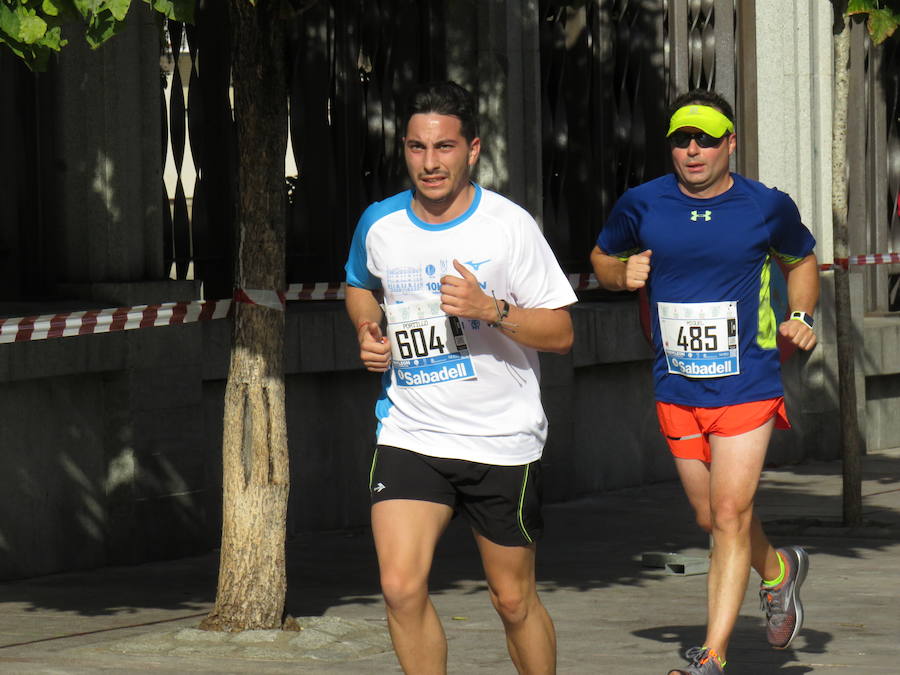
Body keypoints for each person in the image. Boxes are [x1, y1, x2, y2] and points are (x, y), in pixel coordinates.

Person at [344, 80, 576, 675]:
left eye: (444, 147)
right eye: (418, 148)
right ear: (404, 148)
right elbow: (359, 284)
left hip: (501, 439)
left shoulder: (508, 226)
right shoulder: (380, 223)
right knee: (398, 587)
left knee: (512, 599)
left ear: (472, 149)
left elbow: (560, 332)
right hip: (411, 432)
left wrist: (488, 309)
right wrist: (368, 329)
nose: (430, 163)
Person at [590, 90, 819, 675]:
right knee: (713, 517)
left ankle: (712, 657)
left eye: (707, 139)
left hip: (748, 381)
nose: (693, 150)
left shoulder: (766, 206)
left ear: (730, 143)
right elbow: (601, 256)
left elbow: (801, 261)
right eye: (681, 139)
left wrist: (801, 316)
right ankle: (778, 571)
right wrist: (620, 274)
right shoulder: (641, 204)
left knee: (728, 512)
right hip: (677, 386)